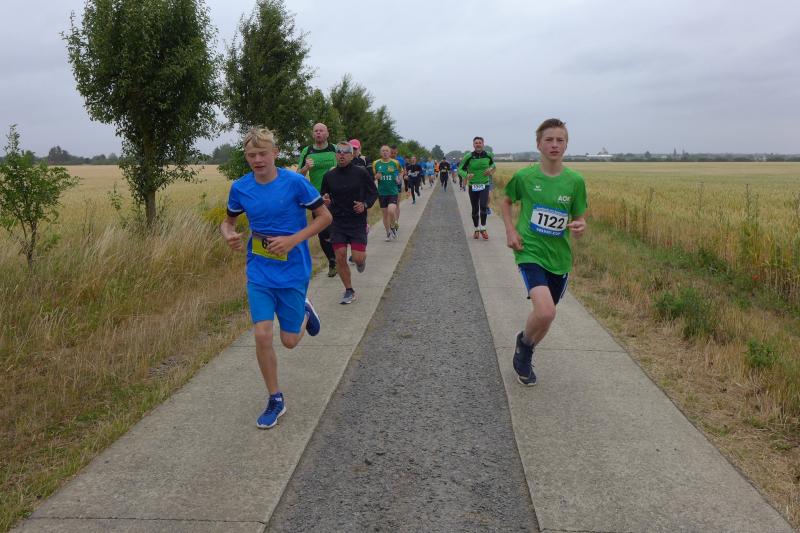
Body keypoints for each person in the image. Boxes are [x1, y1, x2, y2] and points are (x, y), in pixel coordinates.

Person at [221, 127, 332, 428]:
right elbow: (228, 222)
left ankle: (305, 312)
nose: (257, 160)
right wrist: (229, 234)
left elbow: (325, 217)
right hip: (259, 269)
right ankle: (275, 398)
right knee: (262, 334)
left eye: (262, 154)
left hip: (293, 269)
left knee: (290, 341)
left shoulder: (295, 182)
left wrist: (293, 240)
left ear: (275, 153)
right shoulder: (240, 187)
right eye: (251, 155)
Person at [501, 118, 587, 386]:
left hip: (559, 258)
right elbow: (506, 201)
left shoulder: (575, 181)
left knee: (545, 318)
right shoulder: (525, 177)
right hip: (530, 252)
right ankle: (525, 353)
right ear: (538, 144)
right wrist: (511, 231)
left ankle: (525, 344)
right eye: (549, 139)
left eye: (560, 140)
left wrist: (580, 226)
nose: (554, 144)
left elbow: (579, 217)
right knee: (546, 311)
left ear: (566, 145)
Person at [321, 141, 378, 304]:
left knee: (358, 258)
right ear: (335, 155)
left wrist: (365, 204)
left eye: (345, 152)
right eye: (339, 151)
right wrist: (325, 200)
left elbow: (373, 193)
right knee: (340, 256)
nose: (341, 154)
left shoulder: (361, 173)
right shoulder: (329, 176)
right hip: (338, 221)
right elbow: (323, 196)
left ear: (352, 155)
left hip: (357, 222)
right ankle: (349, 290)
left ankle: (361, 261)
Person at [298, 123, 338, 277]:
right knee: (322, 231)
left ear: (327, 133)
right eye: (316, 131)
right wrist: (306, 168)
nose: (319, 133)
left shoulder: (334, 149)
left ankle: (341, 254)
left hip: (336, 194)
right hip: (317, 196)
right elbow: (298, 176)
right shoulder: (307, 151)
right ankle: (332, 260)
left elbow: (347, 167)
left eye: (321, 130)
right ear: (313, 134)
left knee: (337, 227)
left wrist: (337, 170)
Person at [458, 136, 496, 240]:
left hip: (484, 184)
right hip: (473, 185)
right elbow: (460, 169)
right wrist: (466, 175)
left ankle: (483, 228)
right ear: (473, 145)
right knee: (475, 209)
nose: (478, 144)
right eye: (476, 143)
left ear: (483, 144)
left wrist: (490, 169)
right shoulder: (468, 156)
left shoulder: (488, 155)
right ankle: (476, 229)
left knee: (483, 206)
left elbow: (493, 165)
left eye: (480, 142)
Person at [373, 145, 403, 241]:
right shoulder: (376, 163)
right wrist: (376, 177)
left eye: (387, 151)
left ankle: (393, 226)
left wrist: (399, 179)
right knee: (385, 214)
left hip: (393, 192)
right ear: (380, 153)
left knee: (391, 211)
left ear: (390, 153)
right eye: (383, 151)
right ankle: (388, 233)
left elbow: (401, 172)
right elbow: (373, 177)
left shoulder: (395, 162)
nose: (385, 152)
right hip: (382, 193)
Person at [389, 145, 405, 229]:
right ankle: (391, 220)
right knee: (389, 205)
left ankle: (396, 222)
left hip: (397, 183)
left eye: (394, 153)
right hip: (388, 184)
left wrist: (400, 177)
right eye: (392, 152)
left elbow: (403, 170)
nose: (393, 154)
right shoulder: (386, 159)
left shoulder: (401, 160)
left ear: (397, 152)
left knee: (397, 204)